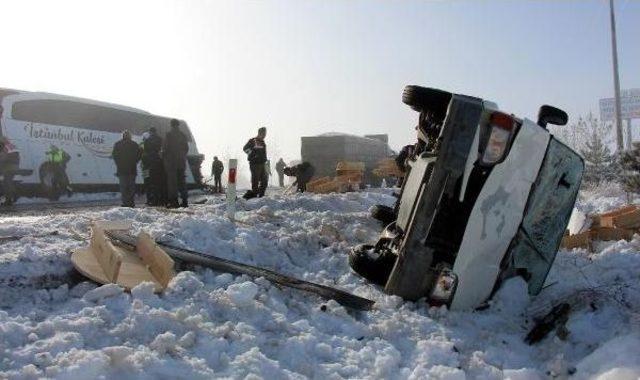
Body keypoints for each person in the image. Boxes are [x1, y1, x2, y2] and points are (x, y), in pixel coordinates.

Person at [112, 130, 142, 207]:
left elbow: (114, 156)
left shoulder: (118, 144)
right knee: (131, 187)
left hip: (121, 169)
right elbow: (140, 154)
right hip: (132, 169)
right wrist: (135, 161)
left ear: (123, 136)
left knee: (123, 187)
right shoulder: (134, 144)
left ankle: (125, 203)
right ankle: (131, 202)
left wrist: (118, 163)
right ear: (130, 136)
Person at [163, 119, 189, 208]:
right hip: (181, 163)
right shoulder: (183, 135)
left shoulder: (169, 135)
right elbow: (186, 149)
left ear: (171, 125)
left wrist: (164, 156)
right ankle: (185, 201)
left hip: (171, 163)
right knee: (182, 182)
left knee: (172, 183)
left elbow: (165, 148)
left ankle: (174, 202)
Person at [141, 127, 164, 206]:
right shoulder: (160, 140)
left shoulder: (146, 142)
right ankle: (157, 199)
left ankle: (149, 200)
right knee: (156, 183)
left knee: (147, 183)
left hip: (146, 167)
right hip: (156, 165)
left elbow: (143, 155)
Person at [243, 127, 268, 198]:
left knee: (264, 181)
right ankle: (254, 195)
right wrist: (253, 154)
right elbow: (245, 149)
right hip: (254, 164)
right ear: (260, 133)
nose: (265, 135)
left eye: (265, 134)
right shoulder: (252, 141)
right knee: (255, 180)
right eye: (264, 134)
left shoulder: (262, 142)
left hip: (262, 163)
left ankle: (261, 195)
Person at [0, 137, 18, 206]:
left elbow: (3, 158)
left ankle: (9, 200)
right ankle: (11, 199)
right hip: (14, 167)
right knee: (9, 183)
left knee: (7, 184)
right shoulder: (13, 146)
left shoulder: (6, 147)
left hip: (8, 168)